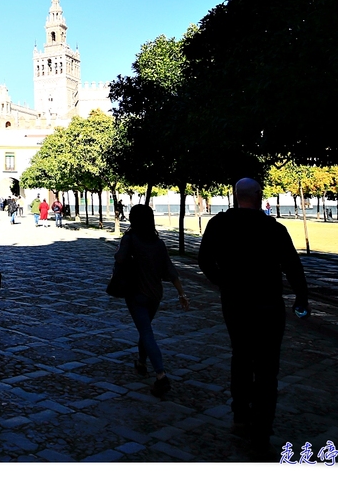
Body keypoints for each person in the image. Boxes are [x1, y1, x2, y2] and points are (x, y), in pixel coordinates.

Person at [198, 178, 309, 458]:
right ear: (259, 196)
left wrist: (223, 282)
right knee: (268, 368)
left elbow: (204, 261)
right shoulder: (274, 229)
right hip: (269, 305)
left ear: (235, 196)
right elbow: (293, 266)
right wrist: (301, 298)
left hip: (235, 304)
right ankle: (261, 431)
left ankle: (240, 414)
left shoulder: (219, 225)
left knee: (241, 356)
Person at [114, 204, 190, 396]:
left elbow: (120, 259)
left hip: (136, 293)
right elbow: (170, 270)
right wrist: (181, 294)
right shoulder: (159, 244)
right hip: (155, 294)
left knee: (146, 331)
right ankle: (141, 362)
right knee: (145, 328)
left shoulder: (130, 239)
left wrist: (120, 254)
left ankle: (161, 376)